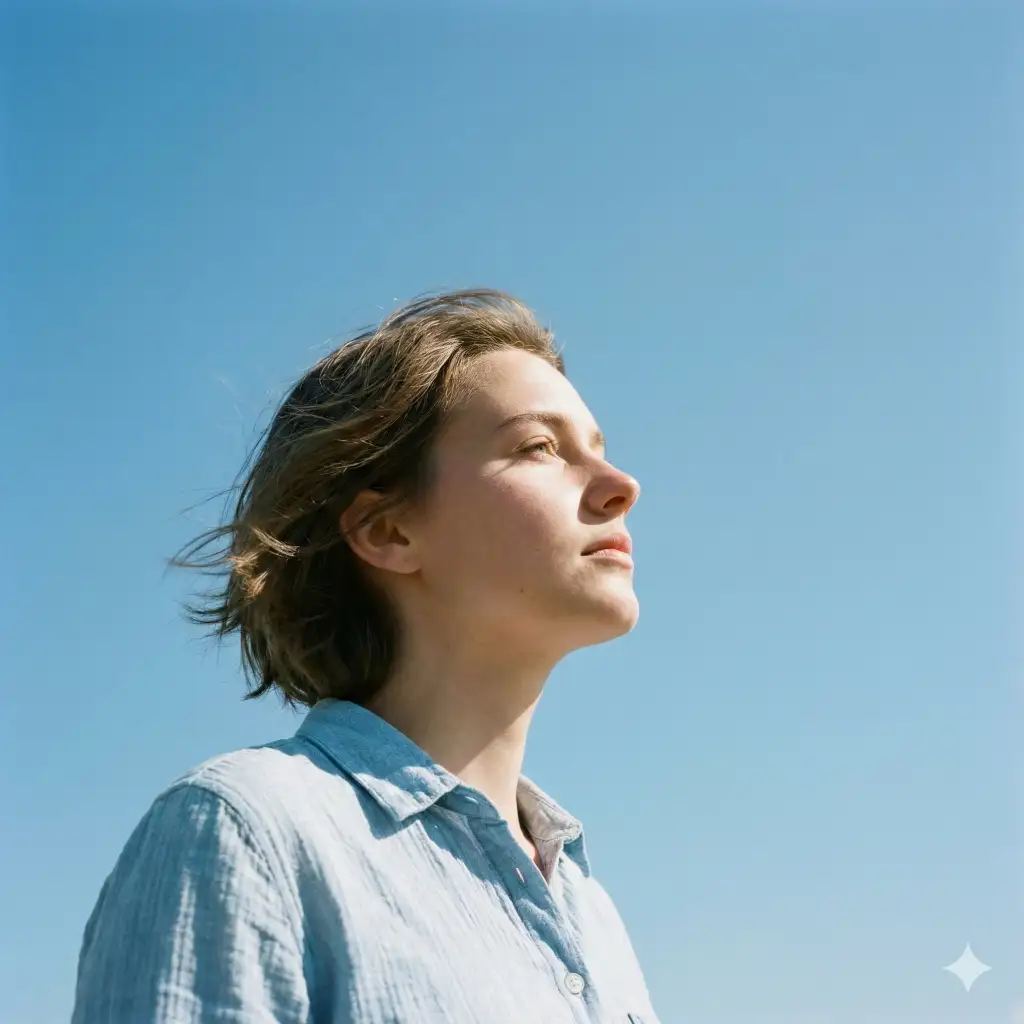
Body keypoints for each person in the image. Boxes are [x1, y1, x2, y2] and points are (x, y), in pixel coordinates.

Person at [71, 289, 659, 1024]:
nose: (621, 487)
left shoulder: (590, 909)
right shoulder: (247, 833)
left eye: (599, 449)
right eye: (540, 446)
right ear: (386, 532)